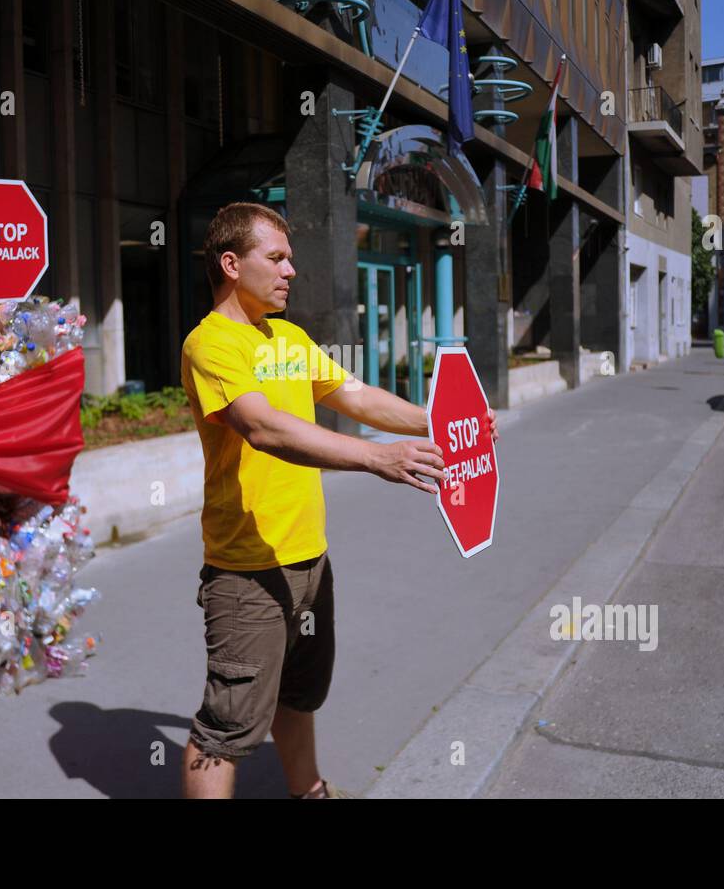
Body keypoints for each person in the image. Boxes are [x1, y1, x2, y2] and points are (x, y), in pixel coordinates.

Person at [178, 203, 498, 799]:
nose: (290, 270)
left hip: (310, 560)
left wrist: (449, 421)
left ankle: (310, 792)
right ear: (230, 263)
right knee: (225, 728)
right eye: (275, 258)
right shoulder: (211, 344)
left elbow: (356, 395)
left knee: (298, 696)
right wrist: (377, 458)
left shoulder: (288, 338)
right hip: (247, 570)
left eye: (290, 258)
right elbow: (263, 428)